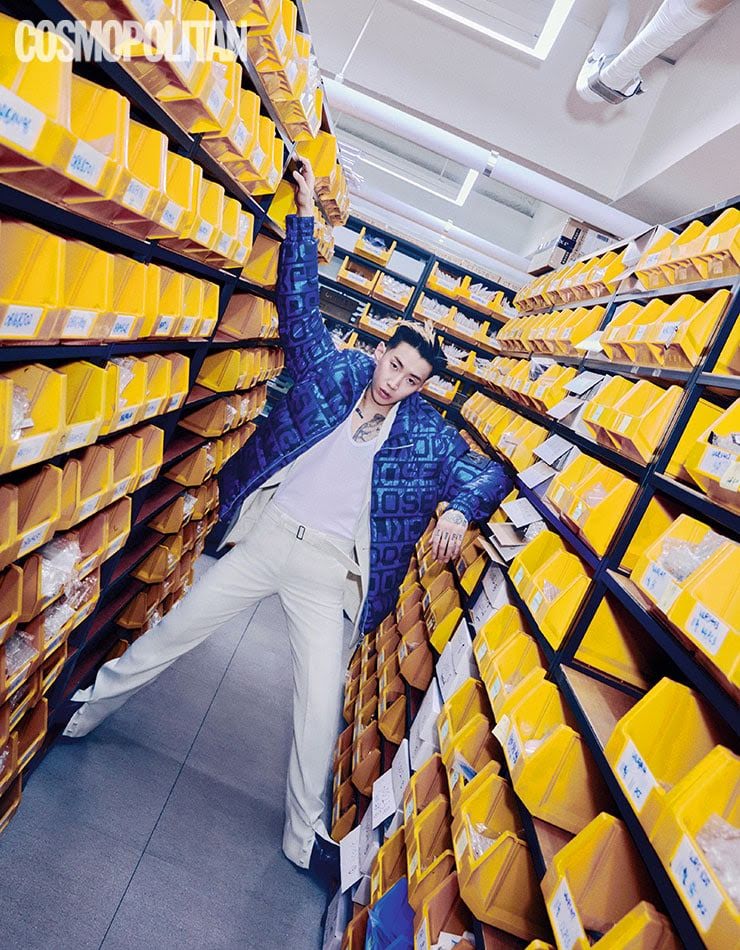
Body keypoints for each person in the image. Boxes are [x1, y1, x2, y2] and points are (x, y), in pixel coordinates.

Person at [63, 158, 511, 885]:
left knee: (318, 708)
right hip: (270, 538)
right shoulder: (332, 373)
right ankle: (83, 712)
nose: (396, 383)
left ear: (424, 387)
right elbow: (298, 304)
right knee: (175, 631)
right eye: (394, 366)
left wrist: (461, 507)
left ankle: (304, 839)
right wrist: (304, 212)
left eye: (413, 380)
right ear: (380, 352)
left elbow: (486, 472)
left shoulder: (424, 436)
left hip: (326, 572)